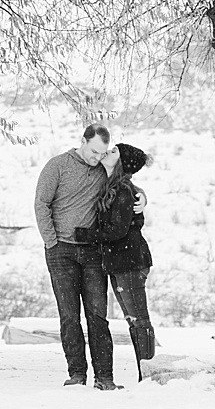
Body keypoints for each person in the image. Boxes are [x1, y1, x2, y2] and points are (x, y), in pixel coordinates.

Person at [34, 121, 117, 390]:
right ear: (83, 141)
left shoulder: (105, 170)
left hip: (92, 251)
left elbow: (128, 187)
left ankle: (104, 377)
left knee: (97, 315)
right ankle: (77, 373)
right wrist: (51, 242)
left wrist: (144, 199)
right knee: (70, 316)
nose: (97, 158)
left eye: (102, 154)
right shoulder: (57, 166)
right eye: (93, 152)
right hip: (61, 252)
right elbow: (41, 203)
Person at [75, 142, 156, 382]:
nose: (107, 151)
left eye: (113, 152)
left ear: (121, 163)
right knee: (134, 320)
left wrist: (86, 235)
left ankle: (149, 375)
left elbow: (118, 231)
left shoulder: (123, 190)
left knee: (139, 319)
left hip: (130, 261)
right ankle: (146, 374)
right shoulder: (114, 185)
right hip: (120, 262)